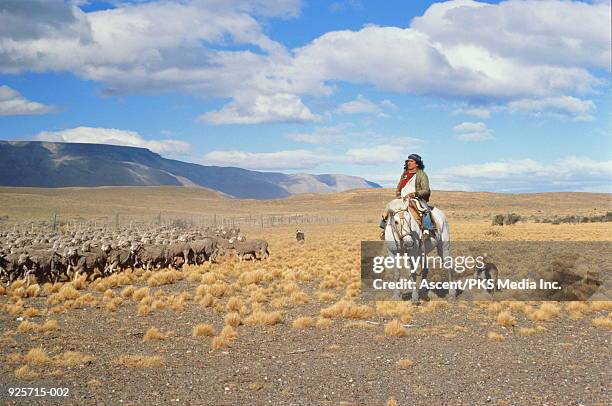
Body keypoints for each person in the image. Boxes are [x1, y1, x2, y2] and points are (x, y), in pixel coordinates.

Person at [379, 154, 434, 238]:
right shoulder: (404, 174)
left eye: (411, 161)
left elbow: (426, 190)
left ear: (417, 164)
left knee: (424, 209)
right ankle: (385, 229)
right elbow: (399, 186)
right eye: (408, 161)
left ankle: (427, 230)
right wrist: (398, 194)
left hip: (416, 198)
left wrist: (414, 194)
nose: (409, 163)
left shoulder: (422, 175)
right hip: (402, 198)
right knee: (389, 207)